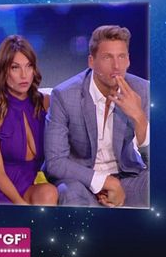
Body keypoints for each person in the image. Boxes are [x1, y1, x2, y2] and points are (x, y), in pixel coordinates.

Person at [44, 25, 149, 207]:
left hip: (127, 177)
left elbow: (160, 159)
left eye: (121, 56)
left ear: (128, 60)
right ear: (91, 61)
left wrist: (139, 117)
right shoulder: (64, 95)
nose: (116, 66)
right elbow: (55, 162)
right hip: (81, 180)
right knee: (70, 195)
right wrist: (107, 182)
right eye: (108, 57)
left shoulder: (142, 89)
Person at [0, 35, 58, 205]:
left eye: (29, 66)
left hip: (31, 184)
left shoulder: (46, 103)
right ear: (3, 71)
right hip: (1, 188)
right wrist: (21, 206)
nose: (24, 75)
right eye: (15, 67)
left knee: (49, 193)